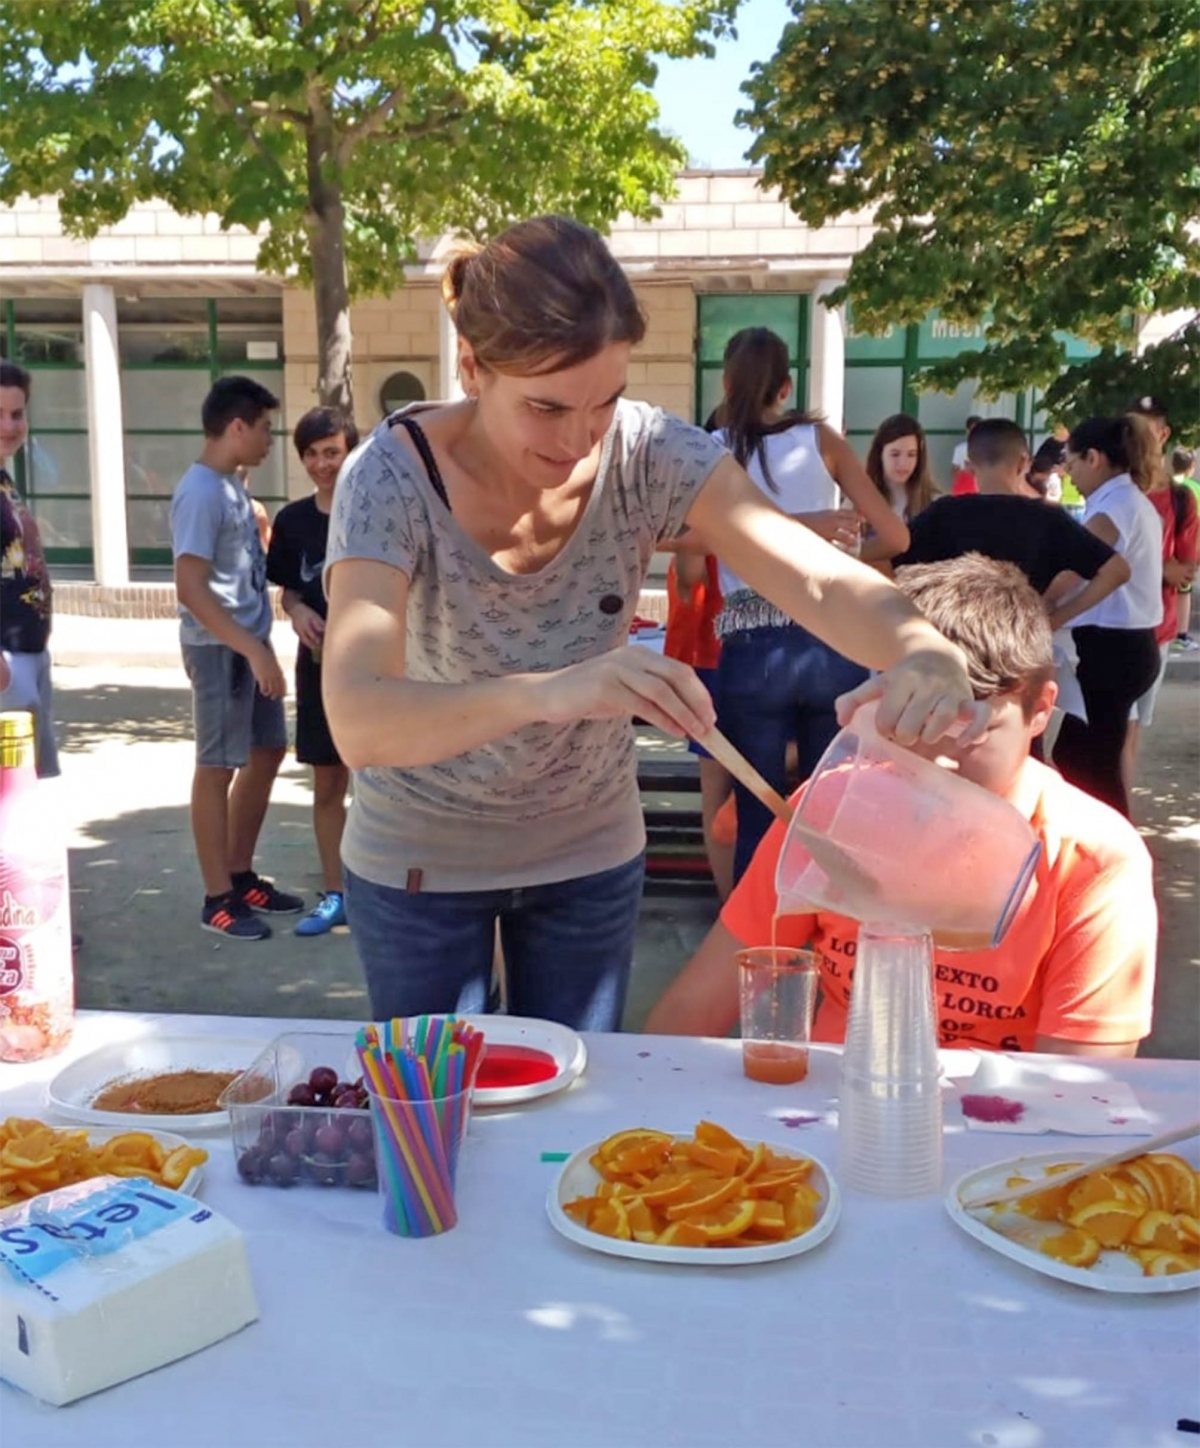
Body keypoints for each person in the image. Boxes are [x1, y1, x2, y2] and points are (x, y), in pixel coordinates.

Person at [321, 216, 984, 1030]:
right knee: (430, 1120)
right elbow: (359, 717)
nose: (576, 439)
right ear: (471, 367)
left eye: (603, 401)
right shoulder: (389, 476)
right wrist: (557, 691)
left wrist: (921, 646)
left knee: (573, 1115)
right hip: (420, 858)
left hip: (588, 853)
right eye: (545, 406)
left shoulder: (648, 452)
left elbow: (811, 575)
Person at [645, 555, 1157, 1057]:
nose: (933, 763)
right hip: (826, 1111)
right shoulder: (832, 812)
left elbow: (1080, 1093)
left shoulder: (1094, 860)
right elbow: (695, 1008)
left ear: (1040, 709)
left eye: (967, 731)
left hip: (997, 1128)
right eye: (905, 723)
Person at [709, 327, 911, 882]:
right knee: (833, 811)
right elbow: (896, 538)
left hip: (751, 644)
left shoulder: (711, 450)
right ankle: (828, 944)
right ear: (786, 386)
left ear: (727, 383)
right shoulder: (821, 440)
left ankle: (760, 944)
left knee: (757, 816)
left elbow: (671, 535)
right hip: (832, 637)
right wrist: (828, 544)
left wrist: (762, 535)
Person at [170, 376, 304, 940]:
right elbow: (190, 586)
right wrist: (250, 647)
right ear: (237, 427)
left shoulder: (228, 486)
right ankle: (217, 898)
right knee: (217, 765)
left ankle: (240, 871)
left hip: (248, 644)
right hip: (221, 648)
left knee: (268, 750)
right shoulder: (200, 492)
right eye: (266, 429)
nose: (272, 440)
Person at [266, 407, 360, 935]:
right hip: (319, 669)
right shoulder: (293, 521)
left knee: (383, 785)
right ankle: (336, 892)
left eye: (332, 452)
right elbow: (289, 588)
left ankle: (387, 893)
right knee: (328, 784)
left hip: (380, 670)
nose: (322, 464)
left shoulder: (375, 512)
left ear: (351, 452)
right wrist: (298, 610)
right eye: (312, 454)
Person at [894, 419, 1130, 613]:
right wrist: (1059, 618)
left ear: (969, 465)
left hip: (958, 647)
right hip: (1023, 651)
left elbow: (891, 560)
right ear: (1023, 464)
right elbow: (1117, 571)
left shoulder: (943, 513)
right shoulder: (1047, 518)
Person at [1052, 416, 1164, 818]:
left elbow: (1073, 568)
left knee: (1085, 762)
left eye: (1072, 462)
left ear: (1094, 458)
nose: (1068, 473)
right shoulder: (1127, 500)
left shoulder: (1116, 505)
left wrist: (1043, 607)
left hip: (1115, 650)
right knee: (1084, 757)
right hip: (1123, 648)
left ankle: (1111, 853)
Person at [1122, 405, 1198, 790]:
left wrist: (1157, 567)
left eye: (1144, 431)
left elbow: (1185, 569)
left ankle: (1123, 815)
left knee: (1133, 728)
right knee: (1115, 726)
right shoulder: (1113, 489)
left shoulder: (1181, 499)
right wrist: (1158, 566)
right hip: (1113, 625)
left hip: (1158, 627)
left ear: (1163, 435)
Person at [662, 549, 734, 899]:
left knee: (730, 789)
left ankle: (739, 904)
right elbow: (690, 577)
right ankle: (730, 905)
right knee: (717, 788)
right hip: (714, 657)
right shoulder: (708, 503)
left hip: (784, 650)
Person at [0, 362, 58, 777]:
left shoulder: (4, 479)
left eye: (17, 414)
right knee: (11, 793)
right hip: (7, 662)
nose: (9, 425)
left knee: (28, 793)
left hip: (29, 655)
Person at [865, 412, 936, 522]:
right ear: (880, 453)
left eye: (911, 455)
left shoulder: (935, 503)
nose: (903, 463)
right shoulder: (859, 499)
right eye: (895, 454)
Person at [1171, 445, 1199, 650]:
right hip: (1188, 547)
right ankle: (1181, 636)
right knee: (1184, 592)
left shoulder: (1167, 486)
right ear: (1192, 467)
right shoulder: (1195, 489)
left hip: (1167, 547)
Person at [951, 415, 982, 495]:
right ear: (967, 431)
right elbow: (954, 471)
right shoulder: (960, 449)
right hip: (963, 487)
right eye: (972, 430)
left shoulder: (986, 449)